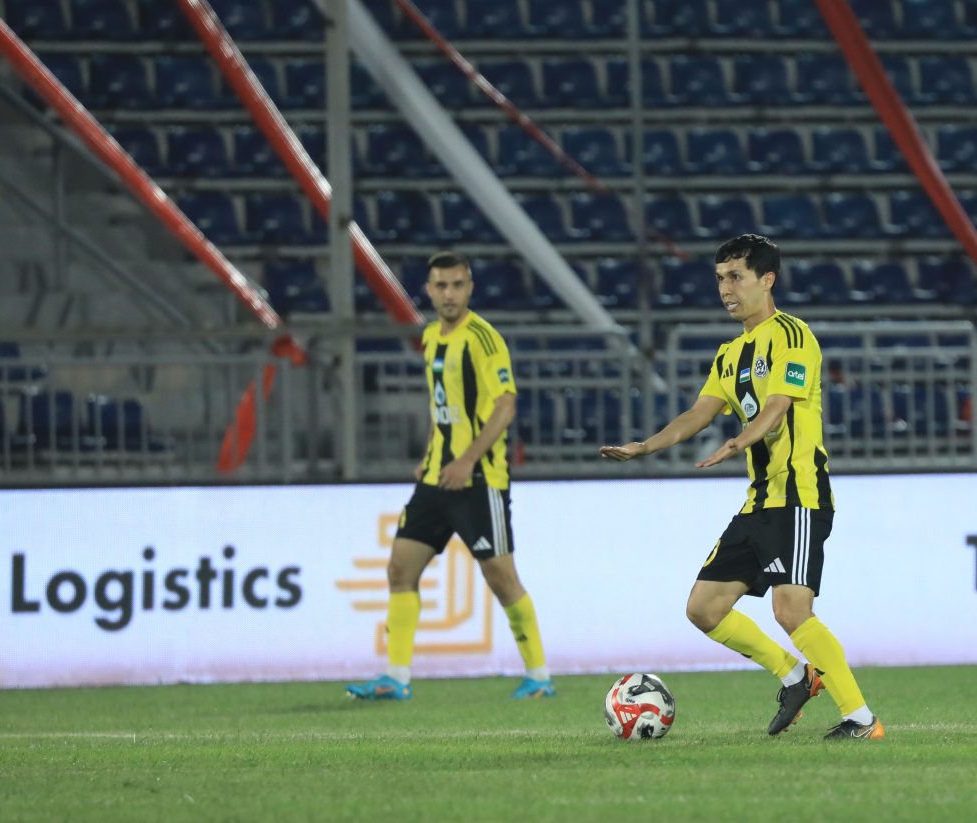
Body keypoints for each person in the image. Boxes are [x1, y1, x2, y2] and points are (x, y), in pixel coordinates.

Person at [600, 234, 883, 741]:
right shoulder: (730, 354)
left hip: (799, 495)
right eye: (719, 279)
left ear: (766, 280)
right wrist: (645, 446)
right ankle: (795, 676)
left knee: (790, 610)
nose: (726, 289)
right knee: (704, 608)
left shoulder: (793, 336)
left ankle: (861, 720)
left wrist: (739, 441)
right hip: (759, 502)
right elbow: (697, 413)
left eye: (736, 277)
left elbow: (778, 406)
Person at [346, 250, 555, 701]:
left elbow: (505, 406)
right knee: (400, 569)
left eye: (457, 285)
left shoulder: (483, 338)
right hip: (436, 479)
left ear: (470, 287)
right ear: (428, 290)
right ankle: (396, 678)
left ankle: (539, 676)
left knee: (502, 578)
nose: (449, 294)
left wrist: (466, 462)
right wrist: (432, 454)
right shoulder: (430, 337)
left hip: (479, 481)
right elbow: (443, 406)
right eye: (441, 286)